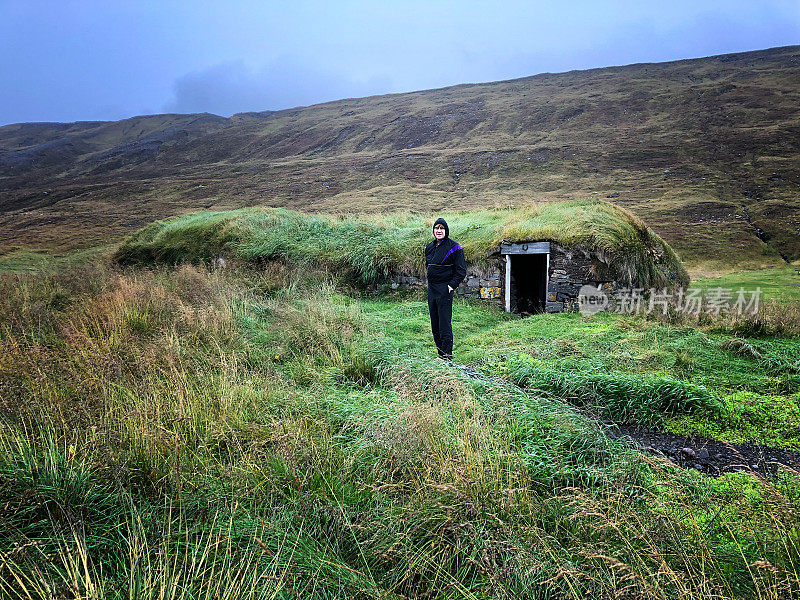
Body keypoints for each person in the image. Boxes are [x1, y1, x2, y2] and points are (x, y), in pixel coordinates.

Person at [424, 217, 466, 361]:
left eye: (442, 228)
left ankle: (447, 357)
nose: (439, 231)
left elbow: (461, 271)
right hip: (432, 290)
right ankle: (440, 355)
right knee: (434, 324)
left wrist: (450, 286)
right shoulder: (429, 247)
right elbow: (428, 266)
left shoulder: (455, 247)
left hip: (444, 290)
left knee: (444, 324)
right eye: (437, 228)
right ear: (433, 230)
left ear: (446, 230)